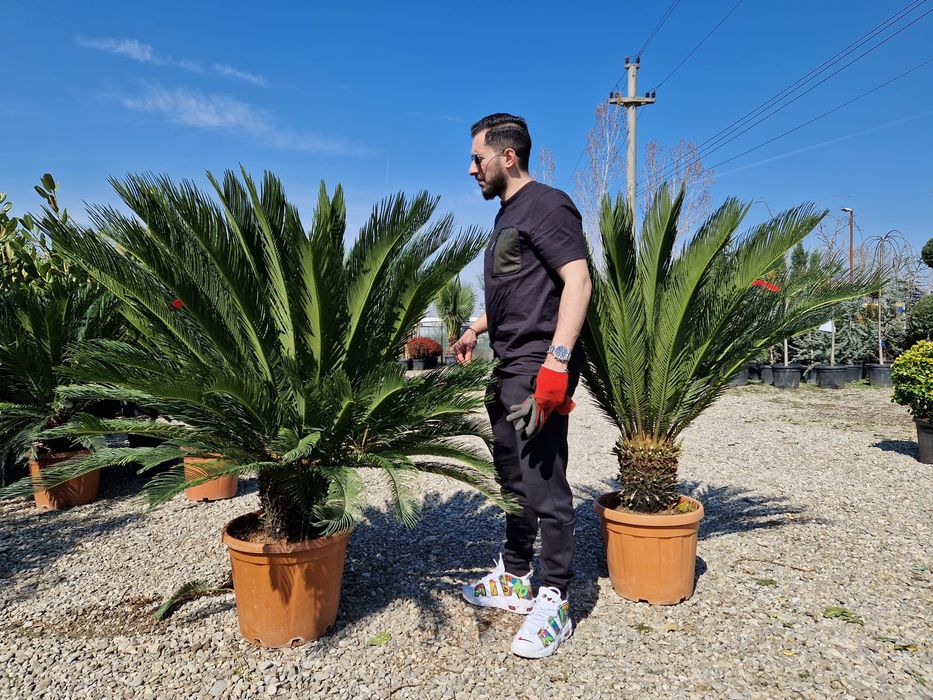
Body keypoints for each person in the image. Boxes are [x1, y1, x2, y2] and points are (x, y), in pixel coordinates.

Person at [453, 113, 591, 658]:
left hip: (539, 366)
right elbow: (516, 291)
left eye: (477, 158)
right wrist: (474, 328)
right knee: (510, 476)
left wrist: (557, 364)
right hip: (508, 364)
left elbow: (577, 280)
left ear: (507, 156)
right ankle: (515, 576)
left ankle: (555, 597)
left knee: (543, 481)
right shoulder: (509, 215)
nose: (471, 169)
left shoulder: (549, 205)